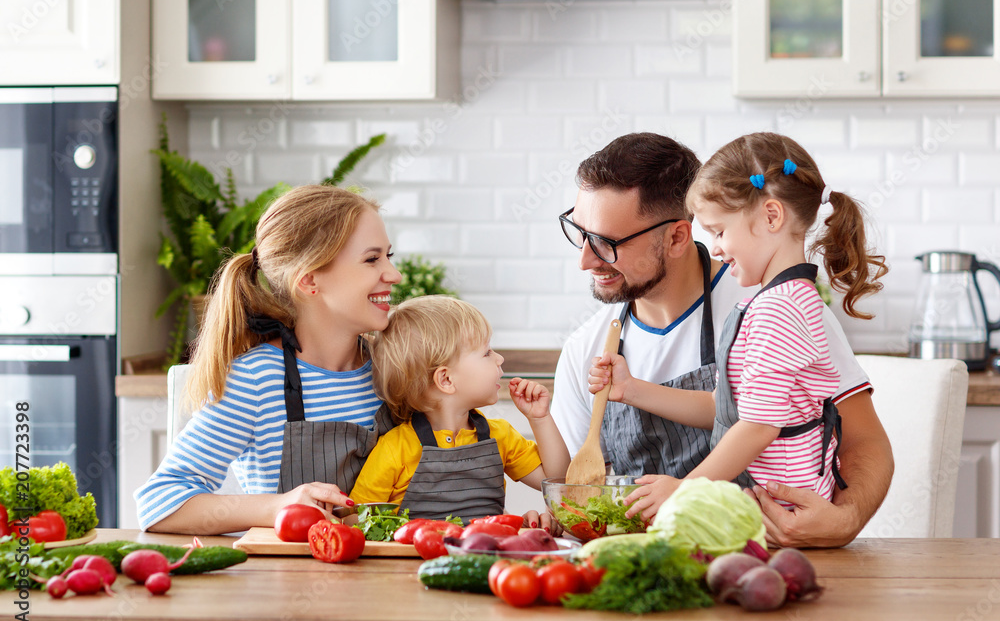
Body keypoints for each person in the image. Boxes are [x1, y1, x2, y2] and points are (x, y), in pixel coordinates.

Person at [550, 132, 894, 547]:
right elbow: (574, 493)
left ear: (677, 237)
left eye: (606, 243)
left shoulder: (777, 309)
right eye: (579, 233)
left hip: (754, 565)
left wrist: (845, 520)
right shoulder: (586, 349)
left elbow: (864, 442)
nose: (585, 259)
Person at [135, 185, 404, 534]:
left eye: (389, 256)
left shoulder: (395, 366)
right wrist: (277, 506)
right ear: (309, 280)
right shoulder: (258, 379)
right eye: (372, 259)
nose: (393, 274)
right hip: (289, 582)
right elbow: (159, 503)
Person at [350, 295, 569, 526]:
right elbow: (357, 519)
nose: (500, 358)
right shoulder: (395, 449)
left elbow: (558, 483)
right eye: (487, 352)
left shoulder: (500, 436)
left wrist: (540, 419)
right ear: (446, 379)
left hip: (485, 558)